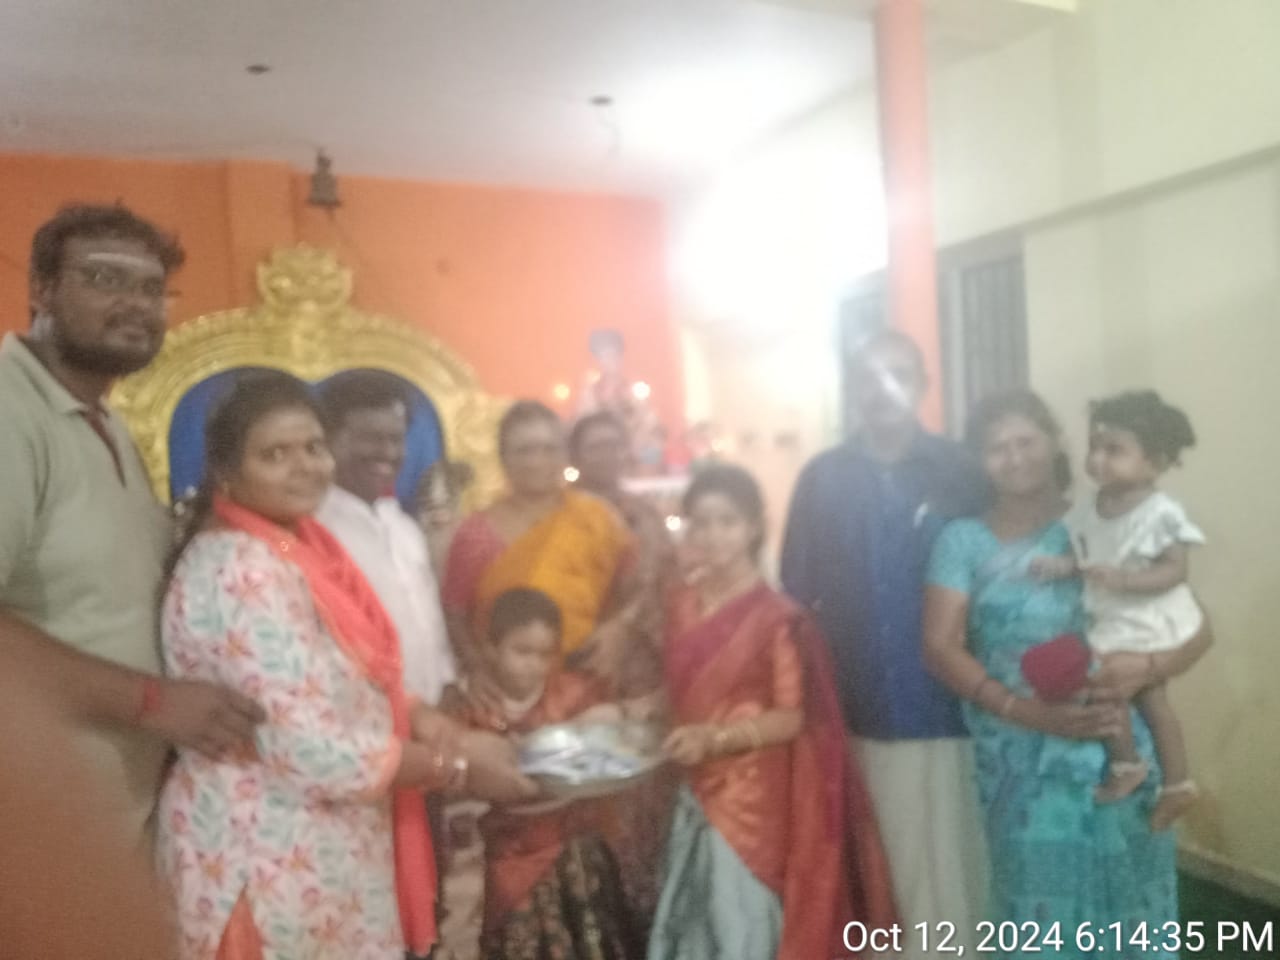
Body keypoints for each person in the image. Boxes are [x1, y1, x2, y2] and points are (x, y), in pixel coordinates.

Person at [156, 372, 535, 960]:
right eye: (274, 454)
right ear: (226, 470)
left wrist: (426, 718)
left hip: (323, 843)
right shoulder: (243, 569)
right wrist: (457, 767)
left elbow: (342, 674)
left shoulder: (297, 545)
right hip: (267, 853)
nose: (304, 467)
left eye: (312, 447)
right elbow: (305, 746)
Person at [0, 204, 263, 851]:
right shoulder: (10, 412)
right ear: (41, 289)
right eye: (104, 278)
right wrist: (153, 703)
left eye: (151, 288)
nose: (136, 305)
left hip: (109, 809)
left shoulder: (105, 420)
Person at [922, 390, 1212, 958]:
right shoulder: (962, 541)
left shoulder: (1107, 522)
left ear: (1055, 442)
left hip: (1121, 747)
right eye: (997, 448)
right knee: (1038, 906)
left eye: (1026, 441)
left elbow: (1198, 630)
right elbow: (939, 647)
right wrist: (1025, 711)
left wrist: (1146, 668)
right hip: (1019, 754)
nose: (1014, 457)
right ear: (979, 461)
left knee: (1132, 901)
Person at [778, 329, 990, 953]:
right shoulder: (823, 478)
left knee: (957, 855)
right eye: (868, 376)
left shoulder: (961, 472)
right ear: (852, 390)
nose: (882, 388)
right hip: (860, 704)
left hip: (958, 701)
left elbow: (997, 570)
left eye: (898, 373)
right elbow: (796, 592)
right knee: (882, 860)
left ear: (923, 385)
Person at [650, 464, 898, 960]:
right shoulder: (680, 603)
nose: (714, 536)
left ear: (754, 527)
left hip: (750, 797)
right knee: (692, 920)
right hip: (688, 780)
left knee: (738, 921)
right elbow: (678, 691)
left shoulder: (779, 618)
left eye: (728, 522)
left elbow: (790, 718)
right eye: (702, 523)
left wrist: (714, 739)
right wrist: (630, 709)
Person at [1030, 390, 1204, 829]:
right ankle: (1175, 784)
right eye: (1094, 447)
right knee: (1144, 697)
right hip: (1114, 615)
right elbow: (1087, 556)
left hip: (1148, 617)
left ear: (1154, 462)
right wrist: (1063, 565)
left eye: (1115, 450)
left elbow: (1176, 569)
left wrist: (1126, 580)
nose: (1098, 459)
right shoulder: (1091, 508)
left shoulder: (1160, 512)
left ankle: (1134, 768)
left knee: (1114, 687)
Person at [446, 587, 643, 959]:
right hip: (510, 845)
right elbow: (458, 772)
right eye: (522, 652)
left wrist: (601, 718)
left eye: (545, 654)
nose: (534, 665)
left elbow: (613, 723)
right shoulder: (474, 705)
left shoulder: (570, 692)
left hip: (571, 840)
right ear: (491, 648)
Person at [442, 400, 634, 696]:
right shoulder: (477, 533)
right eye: (524, 450)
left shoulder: (599, 517)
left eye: (549, 449)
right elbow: (454, 614)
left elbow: (635, 589)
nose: (537, 461)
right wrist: (477, 668)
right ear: (503, 458)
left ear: (565, 455)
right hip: (508, 692)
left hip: (589, 684)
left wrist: (620, 627)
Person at [568, 409, 676, 926]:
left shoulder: (645, 516)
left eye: (614, 445)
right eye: (595, 446)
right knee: (590, 790)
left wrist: (631, 629)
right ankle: (600, 912)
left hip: (642, 671)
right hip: (577, 674)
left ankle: (648, 909)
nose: (607, 456)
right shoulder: (559, 517)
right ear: (575, 455)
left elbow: (669, 587)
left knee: (646, 790)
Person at [316, 372, 457, 705]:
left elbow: (429, 623)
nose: (388, 452)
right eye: (371, 438)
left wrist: (448, 683)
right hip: (363, 715)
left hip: (432, 713)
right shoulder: (315, 531)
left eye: (396, 439)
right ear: (329, 439)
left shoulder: (405, 528)